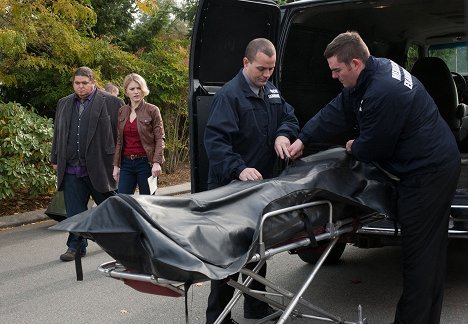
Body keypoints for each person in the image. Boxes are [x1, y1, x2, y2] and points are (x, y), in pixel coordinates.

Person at [288, 31, 461, 324]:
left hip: (429, 174)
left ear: (355, 63)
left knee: (421, 259)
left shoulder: (383, 91)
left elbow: (374, 147)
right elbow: (338, 109)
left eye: (336, 70)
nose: (333, 76)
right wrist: (303, 137)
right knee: (429, 255)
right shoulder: (371, 71)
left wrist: (355, 145)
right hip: (431, 162)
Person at [204, 38, 300, 323]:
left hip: (260, 187)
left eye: (271, 69)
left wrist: (284, 133)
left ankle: (256, 307)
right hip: (230, 187)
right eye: (261, 68)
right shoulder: (229, 96)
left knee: (259, 250)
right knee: (228, 257)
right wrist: (239, 169)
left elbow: (290, 117)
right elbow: (216, 143)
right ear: (246, 63)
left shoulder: (270, 90)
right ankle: (218, 318)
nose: (267, 74)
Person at [51, 66, 124, 262]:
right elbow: (58, 133)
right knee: (75, 212)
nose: (81, 87)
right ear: (73, 84)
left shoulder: (112, 102)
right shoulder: (64, 103)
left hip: (102, 166)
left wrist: (119, 162)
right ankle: (75, 246)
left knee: (110, 208)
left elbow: (121, 136)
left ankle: (124, 242)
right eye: (77, 83)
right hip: (72, 168)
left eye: (85, 83)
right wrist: (55, 159)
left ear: (93, 83)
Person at [112, 73, 165, 194]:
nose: (136, 92)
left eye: (139, 88)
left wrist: (157, 162)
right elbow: (119, 140)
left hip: (146, 163)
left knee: (147, 203)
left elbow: (160, 138)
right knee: (123, 201)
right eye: (132, 89)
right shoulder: (122, 111)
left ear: (144, 90)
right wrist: (116, 166)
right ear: (126, 91)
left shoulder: (152, 110)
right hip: (126, 164)